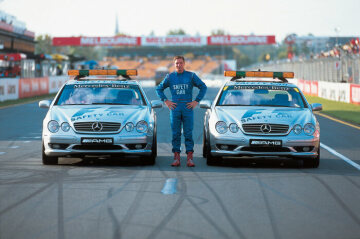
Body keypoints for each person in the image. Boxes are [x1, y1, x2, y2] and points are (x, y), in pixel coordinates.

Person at [156, 56, 207, 167]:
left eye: (180, 63)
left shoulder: (191, 76)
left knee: (188, 133)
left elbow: (203, 87)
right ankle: (176, 158)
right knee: (176, 133)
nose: (179, 65)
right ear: (174, 65)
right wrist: (166, 100)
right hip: (175, 108)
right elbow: (158, 88)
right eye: (176, 63)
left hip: (188, 107)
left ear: (184, 64)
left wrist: (196, 101)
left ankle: (190, 158)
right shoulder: (170, 77)